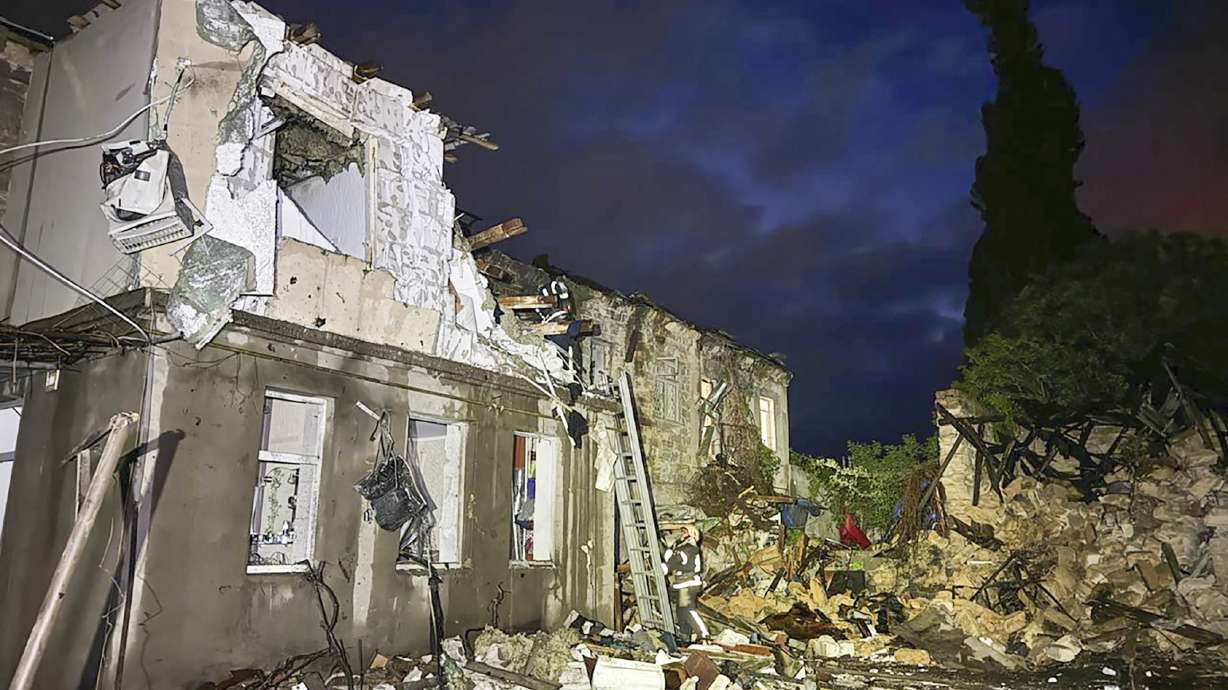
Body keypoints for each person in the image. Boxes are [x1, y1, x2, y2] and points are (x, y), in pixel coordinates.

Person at [661, 525, 709, 643]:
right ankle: (685, 636)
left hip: (687, 583)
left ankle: (704, 634)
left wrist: (665, 568)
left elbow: (675, 560)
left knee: (687, 610)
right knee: (681, 612)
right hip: (682, 583)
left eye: (685, 532)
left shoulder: (688, 549)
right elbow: (671, 557)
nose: (682, 534)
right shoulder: (683, 548)